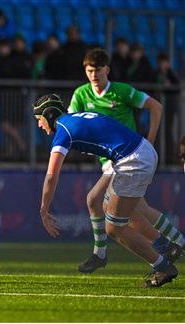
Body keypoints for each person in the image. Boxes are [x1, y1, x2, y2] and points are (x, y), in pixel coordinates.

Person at [33, 93, 178, 288]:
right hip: (136, 152)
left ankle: (163, 265)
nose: (39, 125)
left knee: (114, 227)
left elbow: (51, 175)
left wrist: (44, 209)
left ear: (49, 115)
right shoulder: (76, 117)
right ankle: (159, 246)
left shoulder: (63, 131)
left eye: (39, 119)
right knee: (99, 201)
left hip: (132, 161)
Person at [68, 48, 183, 273]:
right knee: (139, 209)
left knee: (95, 200)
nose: (94, 75)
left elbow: (156, 106)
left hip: (125, 157)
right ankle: (174, 244)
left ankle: (100, 254)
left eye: (98, 70)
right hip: (109, 160)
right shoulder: (81, 94)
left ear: (107, 70)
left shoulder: (121, 91)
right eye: (90, 70)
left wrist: (149, 140)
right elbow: (72, 121)